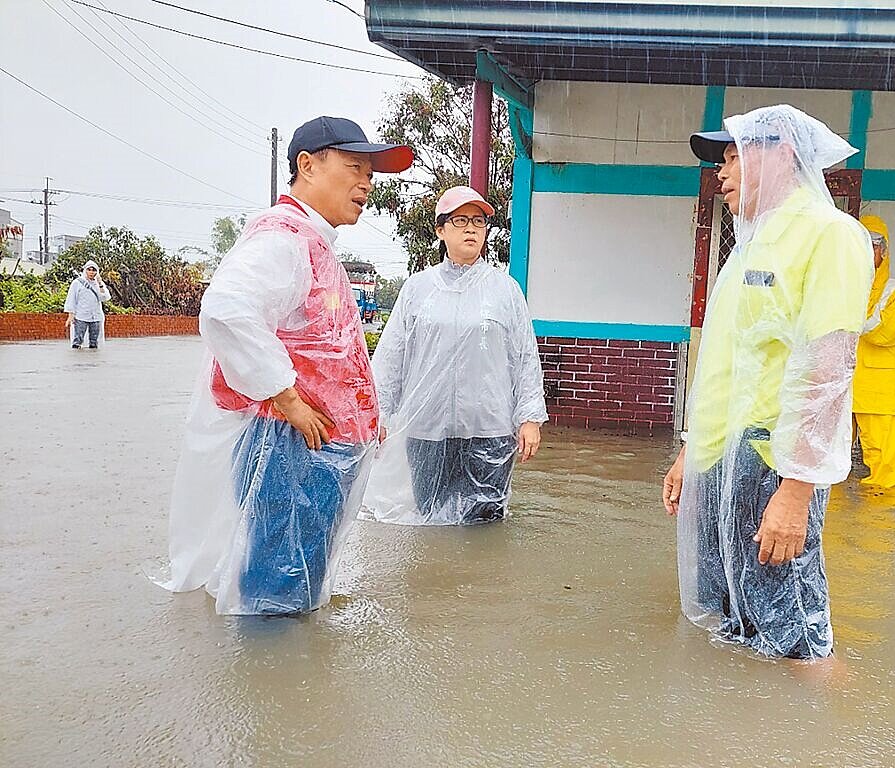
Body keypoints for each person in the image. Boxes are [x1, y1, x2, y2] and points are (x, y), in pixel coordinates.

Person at [159, 116, 413, 615]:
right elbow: (227, 308)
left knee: (298, 578)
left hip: (314, 449)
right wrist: (289, 399)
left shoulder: (314, 243)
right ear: (307, 165)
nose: (367, 184)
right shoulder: (285, 239)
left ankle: (287, 679)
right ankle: (268, 683)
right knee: (277, 588)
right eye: (355, 166)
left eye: (371, 173)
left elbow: (331, 354)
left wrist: (364, 417)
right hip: (289, 447)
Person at [663, 105, 874, 659]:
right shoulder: (746, 250)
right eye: (721, 162)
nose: (721, 174)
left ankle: (818, 739)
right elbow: (722, 369)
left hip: (773, 467)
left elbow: (826, 373)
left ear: (783, 156)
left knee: (797, 636)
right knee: (732, 624)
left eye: (734, 157)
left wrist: (798, 489)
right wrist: (693, 453)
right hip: (722, 465)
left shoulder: (831, 236)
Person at [361, 185, 548, 526]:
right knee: (430, 519)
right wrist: (379, 414)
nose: (471, 229)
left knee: (485, 525)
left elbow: (524, 357)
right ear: (440, 230)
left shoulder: (505, 290)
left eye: (478, 222)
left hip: (489, 428)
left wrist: (530, 417)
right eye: (460, 221)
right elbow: (392, 356)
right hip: (428, 429)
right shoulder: (418, 289)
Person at [852, 215, 895, 488]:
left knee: (883, 456)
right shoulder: (843, 285)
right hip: (841, 379)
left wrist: (850, 320)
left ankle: (881, 517)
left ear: (884, 251)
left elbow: (886, 332)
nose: (866, 250)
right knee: (830, 450)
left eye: (873, 244)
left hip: (876, 384)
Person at [63, 260, 110, 349]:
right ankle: (77, 358)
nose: (91, 272)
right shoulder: (77, 283)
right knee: (78, 340)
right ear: (85, 270)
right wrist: (71, 315)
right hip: (81, 316)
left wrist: (100, 283)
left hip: (95, 316)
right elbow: (71, 298)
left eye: (94, 270)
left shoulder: (98, 284)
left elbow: (105, 298)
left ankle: (93, 359)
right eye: (89, 269)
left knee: (94, 341)